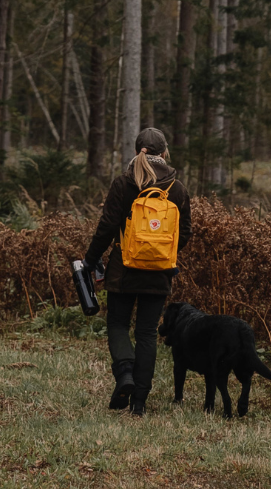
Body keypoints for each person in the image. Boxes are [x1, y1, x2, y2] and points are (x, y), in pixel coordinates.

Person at [83, 127, 191, 416]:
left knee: (118, 325)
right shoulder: (177, 188)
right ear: (165, 153)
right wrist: (161, 253)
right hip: (160, 272)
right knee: (146, 332)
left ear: (137, 152)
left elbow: (106, 227)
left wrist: (90, 261)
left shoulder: (124, 182)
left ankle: (126, 375)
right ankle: (139, 403)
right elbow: (186, 233)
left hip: (124, 269)